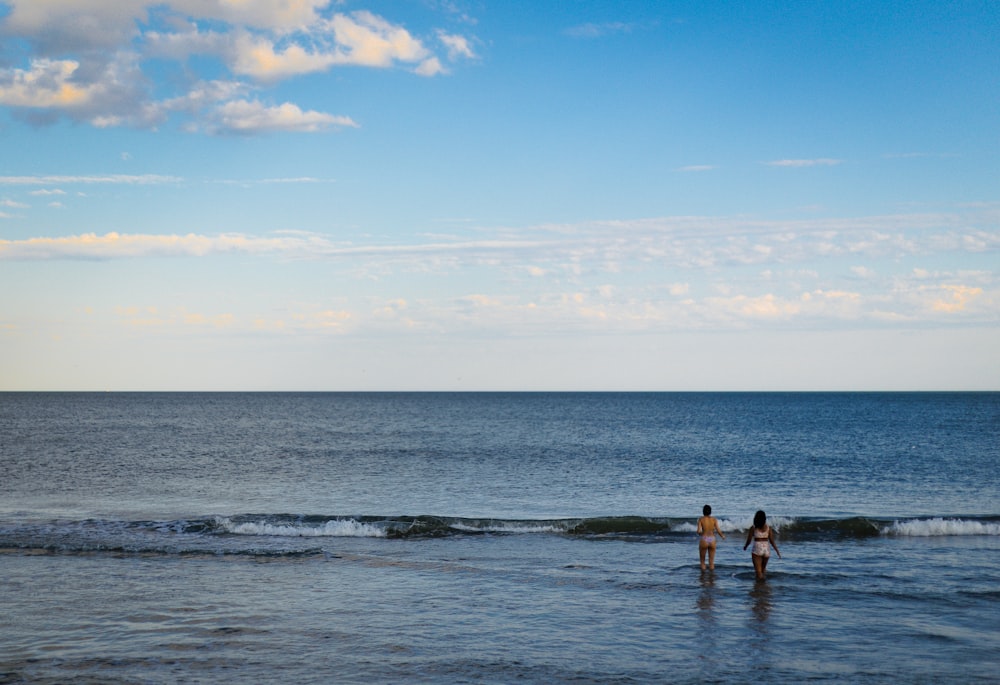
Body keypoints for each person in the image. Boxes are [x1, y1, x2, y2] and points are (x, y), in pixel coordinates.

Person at [743, 510, 781, 580]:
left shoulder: (753, 528)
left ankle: (760, 587)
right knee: (763, 571)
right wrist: (777, 551)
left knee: (758, 572)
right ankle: (764, 587)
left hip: (757, 549)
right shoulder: (768, 528)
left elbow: (749, 540)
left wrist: (745, 546)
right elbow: (772, 541)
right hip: (766, 550)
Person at [696, 504, 726, 571]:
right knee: (711, 562)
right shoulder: (714, 519)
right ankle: (711, 578)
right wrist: (722, 536)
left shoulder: (701, 519)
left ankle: (703, 577)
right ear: (710, 511)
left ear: (703, 511)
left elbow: (698, 531)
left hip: (704, 539)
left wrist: (701, 534)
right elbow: (718, 530)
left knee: (702, 561)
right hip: (712, 539)